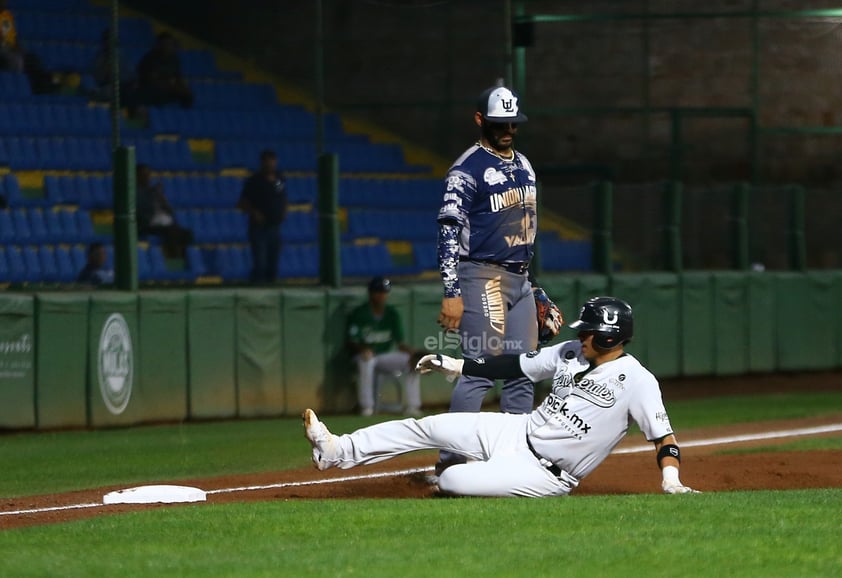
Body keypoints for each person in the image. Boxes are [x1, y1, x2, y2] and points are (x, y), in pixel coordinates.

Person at [304, 297, 699, 498]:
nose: (581, 336)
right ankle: (336, 451)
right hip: (515, 430)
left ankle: (480, 470)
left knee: (453, 479)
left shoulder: (639, 381)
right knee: (429, 426)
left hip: (547, 473)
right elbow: (513, 365)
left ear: (611, 335)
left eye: (588, 331)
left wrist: (671, 480)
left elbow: (664, 438)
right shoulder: (569, 353)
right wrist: (457, 365)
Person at [435, 83, 540, 471]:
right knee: (480, 369)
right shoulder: (466, 170)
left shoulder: (525, 164)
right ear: (481, 121)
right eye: (499, 123)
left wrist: (534, 287)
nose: (508, 129)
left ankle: (514, 459)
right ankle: (451, 461)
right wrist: (451, 290)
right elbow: (447, 230)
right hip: (482, 275)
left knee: (523, 372)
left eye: (513, 122)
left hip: (520, 279)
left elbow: (526, 229)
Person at [347, 276, 426, 417]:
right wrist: (363, 349)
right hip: (364, 356)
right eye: (379, 292)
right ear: (371, 293)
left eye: (384, 292)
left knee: (412, 361)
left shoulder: (392, 314)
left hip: (383, 356)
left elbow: (400, 344)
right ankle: (367, 408)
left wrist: (412, 352)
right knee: (368, 360)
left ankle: (413, 406)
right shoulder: (360, 313)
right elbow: (351, 341)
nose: (382, 295)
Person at [237, 150, 288, 283]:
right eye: (268, 162)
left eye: (273, 162)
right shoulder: (254, 181)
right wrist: (254, 212)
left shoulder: (278, 180)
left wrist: (283, 210)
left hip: (274, 226)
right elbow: (242, 202)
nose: (271, 165)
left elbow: (281, 195)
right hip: (259, 228)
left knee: (273, 262)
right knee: (260, 262)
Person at [135, 164, 193, 258]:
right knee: (171, 231)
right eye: (144, 175)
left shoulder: (154, 191)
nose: (147, 177)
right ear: (137, 176)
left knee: (186, 233)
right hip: (146, 224)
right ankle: (173, 258)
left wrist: (160, 197)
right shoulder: (135, 192)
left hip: (161, 224)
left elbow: (169, 210)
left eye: (148, 175)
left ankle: (185, 260)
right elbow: (140, 212)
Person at [136, 32, 193, 108]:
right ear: (159, 44)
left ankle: (184, 113)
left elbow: (178, 76)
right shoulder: (150, 58)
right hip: (149, 88)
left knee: (186, 91)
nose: (169, 46)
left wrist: (180, 85)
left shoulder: (174, 59)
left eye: (170, 44)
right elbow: (150, 79)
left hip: (167, 87)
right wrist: (169, 83)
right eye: (166, 44)